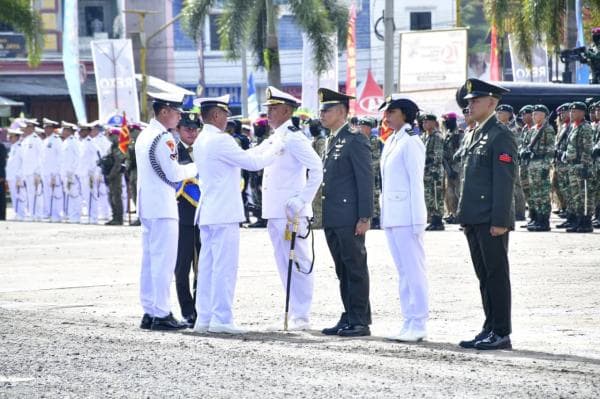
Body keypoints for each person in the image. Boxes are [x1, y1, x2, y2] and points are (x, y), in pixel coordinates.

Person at [192, 94, 282, 334]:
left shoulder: (203, 139)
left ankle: (205, 317)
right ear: (215, 115)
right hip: (223, 213)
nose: (226, 119)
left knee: (209, 267)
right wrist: (277, 148)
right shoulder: (221, 140)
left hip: (210, 211)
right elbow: (253, 163)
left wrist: (267, 144)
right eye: (224, 115)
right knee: (224, 268)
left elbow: (247, 155)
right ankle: (222, 318)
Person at [457, 78, 516, 350]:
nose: (469, 105)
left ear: (492, 103)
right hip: (474, 217)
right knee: (484, 276)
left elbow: (504, 181)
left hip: (491, 219)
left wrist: (501, 221)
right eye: (468, 102)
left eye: (475, 101)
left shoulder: (499, 134)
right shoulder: (474, 132)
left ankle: (501, 331)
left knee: (496, 275)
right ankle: (489, 325)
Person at [261, 86, 323, 330]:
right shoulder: (277, 136)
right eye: (268, 109)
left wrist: (303, 199)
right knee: (282, 263)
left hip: (291, 213)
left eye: (273, 109)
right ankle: (292, 311)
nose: (269, 113)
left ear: (287, 111)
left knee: (298, 262)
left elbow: (317, 168)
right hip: (275, 211)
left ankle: (301, 316)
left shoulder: (295, 137)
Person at [136, 92, 198, 331]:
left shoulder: (145, 135)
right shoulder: (165, 139)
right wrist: (197, 165)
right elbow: (173, 174)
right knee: (163, 261)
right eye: (176, 112)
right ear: (164, 112)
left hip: (148, 205)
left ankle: (150, 311)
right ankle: (161, 313)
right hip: (162, 206)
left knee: (150, 261)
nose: (179, 116)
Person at [319, 88, 374, 337]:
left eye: (326, 109)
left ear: (342, 111)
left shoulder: (355, 139)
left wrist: (365, 216)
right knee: (342, 269)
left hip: (350, 216)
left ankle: (360, 320)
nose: (322, 114)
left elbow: (365, 180)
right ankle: (349, 314)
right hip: (334, 216)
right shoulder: (332, 139)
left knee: (355, 268)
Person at [379, 95, 428, 342]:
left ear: (405, 114)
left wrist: (419, 220)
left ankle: (418, 323)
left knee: (414, 270)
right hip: (393, 216)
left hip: (408, 217)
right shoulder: (392, 140)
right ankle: (408, 320)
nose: (386, 116)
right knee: (403, 272)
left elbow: (416, 183)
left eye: (391, 111)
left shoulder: (411, 142)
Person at [174, 112, 202, 327]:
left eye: (194, 128)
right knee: (182, 266)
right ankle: (187, 310)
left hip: (205, 215)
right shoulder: (173, 150)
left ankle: (201, 308)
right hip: (183, 214)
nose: (191, 132)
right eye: (187, 128)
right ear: (178, 129)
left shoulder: (204, 148)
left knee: (202, 265)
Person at [522, 105, 555, 231]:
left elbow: (551, 150)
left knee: (543, 194)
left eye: (537, 114)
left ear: (544, 116)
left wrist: (546, 166)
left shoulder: (548, 129)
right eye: (534, 114)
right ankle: (537, 219)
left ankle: (544, 221)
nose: (534, 116)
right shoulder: (533, 129)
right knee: (535, 194)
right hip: (532, 165)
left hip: (541, 164)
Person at [563, 102, 595, 233]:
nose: (571, 113)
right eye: (571, 111)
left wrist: (585, 165)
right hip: (572, 165)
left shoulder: (585, 127)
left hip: (581, 165)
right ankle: (578, 220)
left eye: (575, 111)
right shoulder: (573, 127)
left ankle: (586, 222)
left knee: (585, 195)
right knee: (575, 195)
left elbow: (587, 148)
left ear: (582, 113)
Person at [358, 117, 382, 229]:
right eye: (360, 126)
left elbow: (376, 159)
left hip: (372, 174)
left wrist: (370, 172)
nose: (360, 129)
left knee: (374, 195)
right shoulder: (360, 139)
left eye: (363, 127)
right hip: (363, 174)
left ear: (368, 128)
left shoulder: (374, 141)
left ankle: (376, 219)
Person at [422, 114, 444, 230]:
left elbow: (438, 155)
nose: (424, 124)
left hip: (434, 172)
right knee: (428, 196)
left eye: (427, 122)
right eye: (423, 122)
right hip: (427, 171)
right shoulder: (426, 136)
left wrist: (434, 170)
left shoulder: (437, 136)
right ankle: (433, 219)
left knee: (436, 196)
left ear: (433, 123)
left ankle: (438, 221)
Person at [441, 112, 463, 224]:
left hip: (457, 168)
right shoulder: (447, 134)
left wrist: (455, 169)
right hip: (448, 167)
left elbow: (461, 152)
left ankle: (460, 215)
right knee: (449, 193)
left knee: (458, 192)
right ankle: (452, 213)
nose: (445, 123)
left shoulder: (459, 134)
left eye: (446, 121)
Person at [20, 118, 44, 221]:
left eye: (28, 127)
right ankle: (32, 213)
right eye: (26, 127)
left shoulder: (36, 139)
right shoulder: (25, 140)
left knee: (37, 194)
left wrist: (38, 173)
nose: (26, 129)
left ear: (32, 128)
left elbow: (41, 157)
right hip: (27, 171)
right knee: (30, 193)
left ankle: (38, 214)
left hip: (35, 172)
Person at [41, 118, 63, 222]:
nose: (46, 130)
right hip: (45, 172)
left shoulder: (56, 140)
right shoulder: (45, 141)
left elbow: (60, 158)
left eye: (48, 128)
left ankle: (56, 215)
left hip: (54, 172)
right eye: (45, 128)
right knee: (47, 194)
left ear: (52, 128)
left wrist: (56, 174)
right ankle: (48, 213)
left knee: (56, 194)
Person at [60, 121, 82, 223]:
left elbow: (78, 158)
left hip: (72, 173)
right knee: (68, 194)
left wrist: (73, 172)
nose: (62, 131)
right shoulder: (65, 142)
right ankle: (70, 214)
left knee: (75, 195)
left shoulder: (74, 142)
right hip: (66, 173)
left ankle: (75, 216)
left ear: (69, 131)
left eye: (64, 129)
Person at [105, 128, 125, 225]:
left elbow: (118, 164)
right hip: (110, 174)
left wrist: (111, 175)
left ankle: (118, 218)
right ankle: (114, 216)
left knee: (116, 197)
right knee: (111, 196)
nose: (110, 138)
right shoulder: (112, 147)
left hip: (116, 176)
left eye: (112, 136)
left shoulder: (119, 147)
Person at [309, 119, 326, 229]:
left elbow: (321, 158)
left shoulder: (321, 141)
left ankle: (319, 221)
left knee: (318, 198)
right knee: (314, 198)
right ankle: (316, 219)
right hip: (312, 172)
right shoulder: (315, 140)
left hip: (319, 173)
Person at [5, 128, 25, 221]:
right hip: (11, 176)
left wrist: (19, 176)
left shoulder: (20, 147)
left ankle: (21, 214)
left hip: (17, 176)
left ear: (17, 137)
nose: (9, 138)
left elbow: (23, 163)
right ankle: (17, 212)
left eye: (11, 136)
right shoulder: (13, 147)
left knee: (19, 195)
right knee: (14, 195)